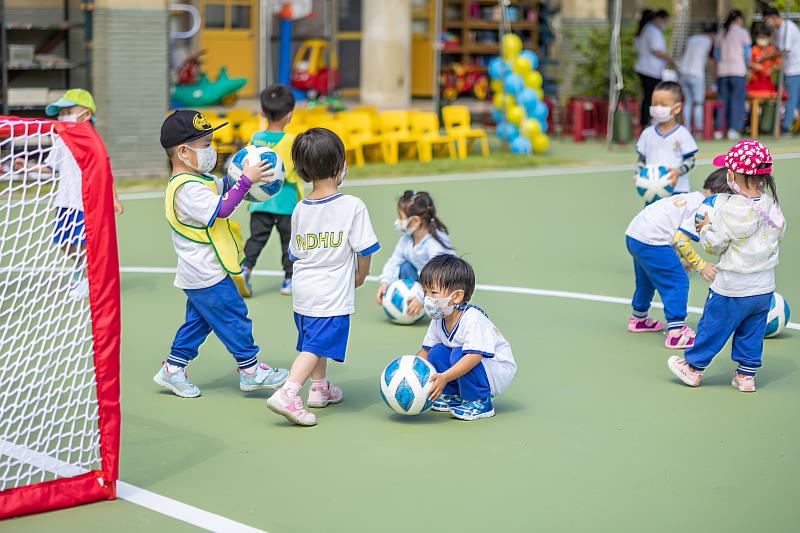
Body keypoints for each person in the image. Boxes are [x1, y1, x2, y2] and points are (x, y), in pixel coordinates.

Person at [154, 110, 289, 398]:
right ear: (183, 152)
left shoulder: (199, 180)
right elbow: (223, 208)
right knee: (233, 314)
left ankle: (172, 369)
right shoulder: (187, 189)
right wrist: (245, 182)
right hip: (205, 272)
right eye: (205, 145)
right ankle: (250, 370)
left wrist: (245, 176)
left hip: (201, 271)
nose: (211, 150)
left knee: (198, 323)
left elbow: (225, 187)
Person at [266, 128, 380, 427]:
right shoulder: (352, 205)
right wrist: (361, 274)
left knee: (315, 340)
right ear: (340, 164)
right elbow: (365, 249)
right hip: (331, 293)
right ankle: (289, 392)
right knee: (315, 346)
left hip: (303, 291)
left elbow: (295, 253)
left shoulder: (300, 208)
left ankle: (320, 388)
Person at [668, 140, 785, 393]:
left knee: (713, 326)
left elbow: (714, 244)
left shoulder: (731, 207)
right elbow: (780, 233)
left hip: (732, 285)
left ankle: (693, 368)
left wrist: (705, 227)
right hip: (764, 286)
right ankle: (746, 376)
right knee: (752, 331)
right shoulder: (771, 204)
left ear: (734, 174)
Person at [16, 89, 124, 299]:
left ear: (85, 115)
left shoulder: (92, 142)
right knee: (63, 242)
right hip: (64, 202)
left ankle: (87, 280)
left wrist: (114, 197)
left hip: (85, 203)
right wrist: (28, 166)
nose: (63, 116)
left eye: (68, 111)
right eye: (61, 112)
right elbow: (50, 168)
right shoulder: (61, 140)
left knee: (84, 243)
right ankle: (79, 268)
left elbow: (104, 171)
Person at [625, 168, 732, 349]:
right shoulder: (704, 207)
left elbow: (671, 229)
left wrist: (679, 260)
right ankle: (676, 332)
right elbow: (680, 239)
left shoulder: (691, 197)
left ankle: (639, 318)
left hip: (635, 235)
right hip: (653, 240)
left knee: (646, 280)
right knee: (677, 281)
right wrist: (701, 265)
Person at [416, 255, 517, 421]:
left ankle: (480, 400)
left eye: (433, 292)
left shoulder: (472, 319)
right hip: (474, 363)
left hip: (496, 369)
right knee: (437, 351)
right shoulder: (439, 318)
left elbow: (474, 357)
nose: (427, 299)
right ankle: (453, 394)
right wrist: (408, 368)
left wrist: (444, 377)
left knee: (459, 353)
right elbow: (425, 352)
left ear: (457, 296)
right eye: (425, 292)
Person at [240, 84, 303, 297]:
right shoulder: (292, 140)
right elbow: (297, 169)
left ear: (262, 112)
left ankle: (245, 269)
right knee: (289, 242)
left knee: (256, 239)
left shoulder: (255, 138)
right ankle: (289, 279)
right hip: (285, 202)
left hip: (259, 201)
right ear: (290, 115)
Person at [376, 190, 454, 317]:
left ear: (415, 221)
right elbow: (394, 261)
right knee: (404, 267)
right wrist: (385, 282)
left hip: (445, 282)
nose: (398, 222)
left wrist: (422, 297)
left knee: (441, 289)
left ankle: (432, 303)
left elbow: (441, 275)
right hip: (427, 279)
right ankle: (413, 300)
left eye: (401, 217)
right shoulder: (406, 240)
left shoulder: (434, 245)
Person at [635, 81, 698, 197]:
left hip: (678, 190)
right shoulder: (647, 134)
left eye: (663, 105)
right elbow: (641, 160)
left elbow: (691, 160)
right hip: (652, 190)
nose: (657, 108)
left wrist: (678, 172)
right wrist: (639, 175)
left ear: (677, 108)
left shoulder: (683, 134)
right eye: (655, 104)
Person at [634, 9, 676, 128]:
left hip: (646, 68)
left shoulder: (645, 29)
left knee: (648, 97)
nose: (665, 24)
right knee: (651, 97)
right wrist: (671, 61)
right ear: (658, 18)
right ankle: (647, 122)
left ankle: (646, 121)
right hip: (650, 70)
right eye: (665, 21)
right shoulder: (652, 30)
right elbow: (656, 50)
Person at [714, 9, 751, 140]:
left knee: (722, 101)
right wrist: (747, 65)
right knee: (737, 100)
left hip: (722, 72)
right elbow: (747, 54)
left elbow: (716, 55)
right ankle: (733, 129)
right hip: (738, 71)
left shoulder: (721, 32)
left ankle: (719, 130)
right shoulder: (742, 32)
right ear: (739, 19)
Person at [763, 6, 800, 135]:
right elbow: (776, 48)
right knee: (793, 99)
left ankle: (786, 126)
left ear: (773, 17)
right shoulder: (777, 29)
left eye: (767, 19)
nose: (767, 23)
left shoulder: (788, 28)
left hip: (795, 69)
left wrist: (765, 58)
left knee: (790, 98)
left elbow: (784, 50)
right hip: (787, 68)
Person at [679, 24, 717, 132]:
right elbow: (711, 61)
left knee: (687, 101)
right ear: (713, 34)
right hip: (697, 73)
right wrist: (715, 75)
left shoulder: (691, 39)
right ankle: (699, 129)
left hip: (683, 72)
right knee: (698, 103)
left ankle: (686, 128)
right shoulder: (709, 42)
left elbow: (683, 53)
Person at [747, 24, 782, 96]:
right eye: (759, 37)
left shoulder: (772, 50)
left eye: (763, 37)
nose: (761, 40)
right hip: (755, 80)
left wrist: (771, 69)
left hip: (768, 80)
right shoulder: (753, 49)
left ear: (769, 37)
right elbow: (747, 62)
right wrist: (754, 65)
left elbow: (779, 64)